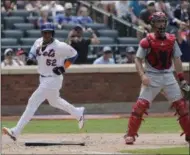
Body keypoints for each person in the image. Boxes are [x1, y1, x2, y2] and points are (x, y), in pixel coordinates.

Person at [2, 22, 85, 141]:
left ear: (52, 33)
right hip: (43, 78)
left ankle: (16, 131)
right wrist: (30, 57)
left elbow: (74, 54)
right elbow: (32, 51)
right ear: (42, 33)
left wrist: (63, 67)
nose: (47, 34)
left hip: (53, 78)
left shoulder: (60, 46)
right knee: (54, 101)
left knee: (33, 102)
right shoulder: (38, 42)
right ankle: (78, 112)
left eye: (49, 32)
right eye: (45, 32)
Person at [123, 12, 190, 145]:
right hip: (152, 76)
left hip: (168, 76)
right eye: (159, 22)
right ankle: (130, 134)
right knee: (140, 106)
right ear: (153, 24)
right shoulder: (146, 41)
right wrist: (142, 76)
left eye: (163, 21)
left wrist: (181, 79)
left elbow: (177, 59)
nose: (162, 24)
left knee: (182, 106)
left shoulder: (171, 40)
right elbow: (138, 60)